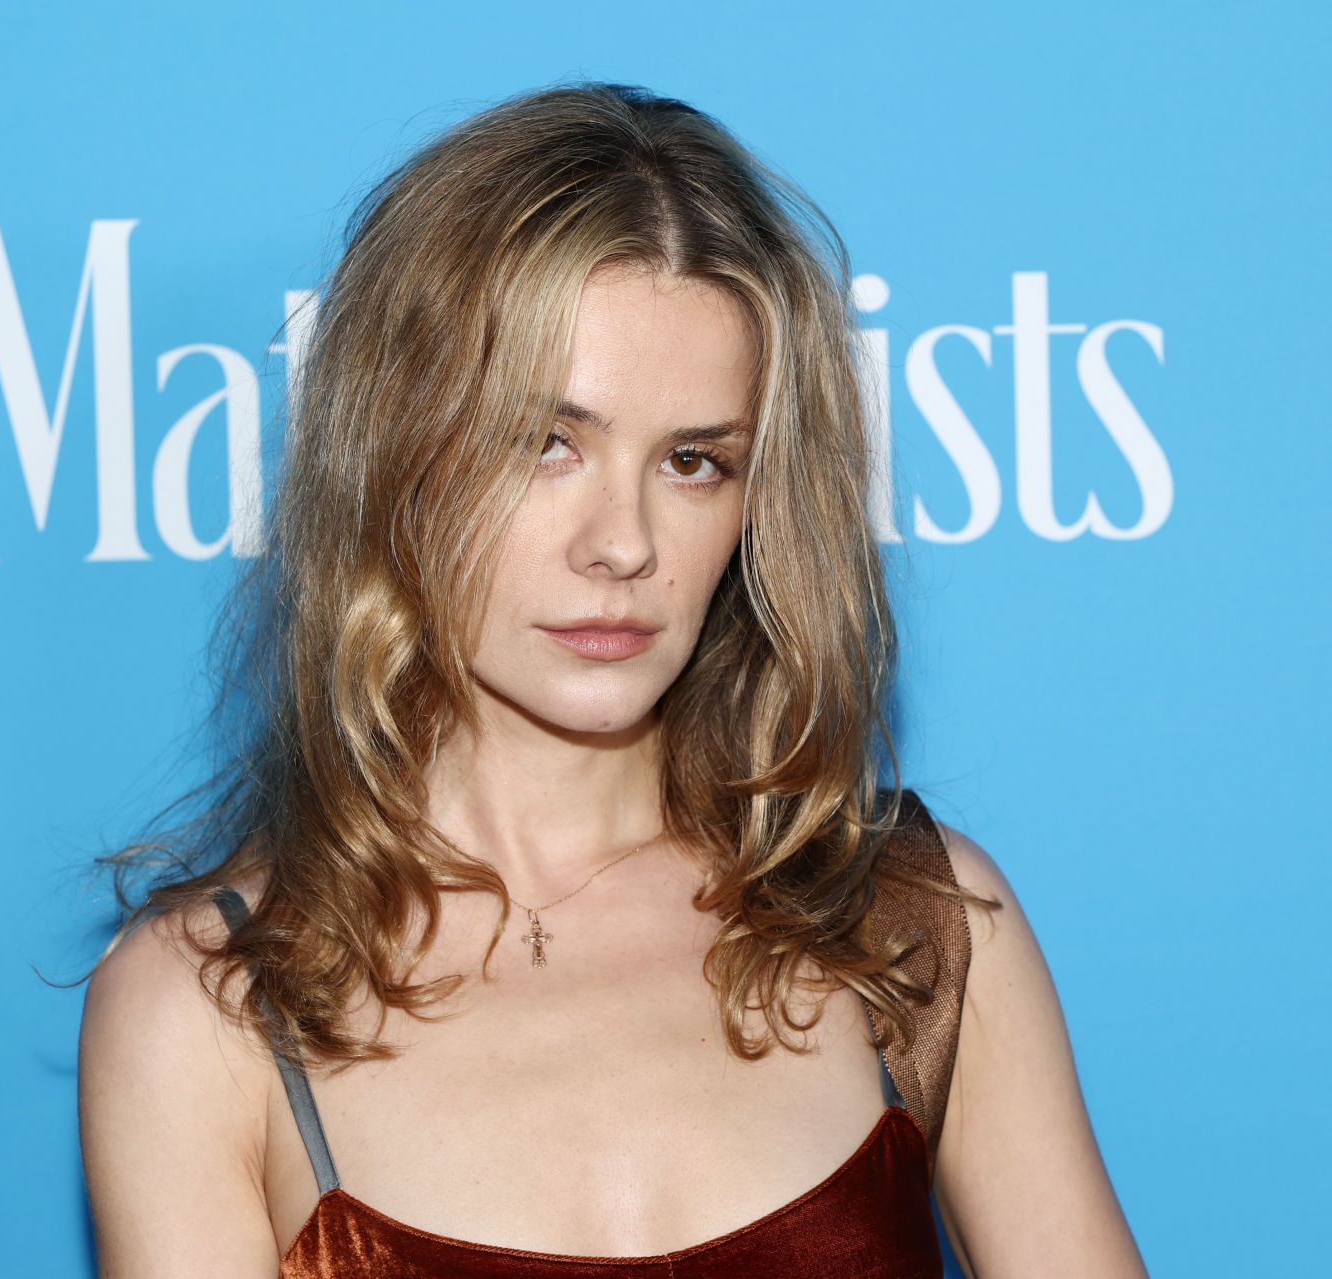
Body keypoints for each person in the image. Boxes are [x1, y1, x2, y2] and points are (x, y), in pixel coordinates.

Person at [76, 81, 1147, 1278]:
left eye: (694, 461)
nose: (624, 544)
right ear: (393, 455)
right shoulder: (208, 1008)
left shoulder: (914, 922)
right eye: (546, 444)